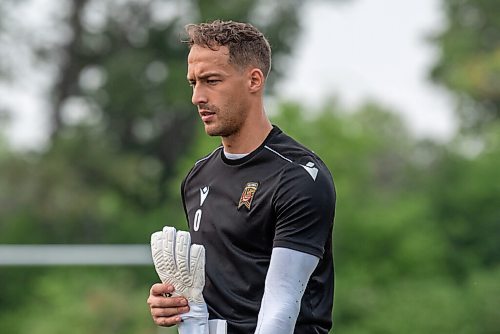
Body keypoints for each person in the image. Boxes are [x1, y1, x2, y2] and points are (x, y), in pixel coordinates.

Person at [147, 20, 336, 334]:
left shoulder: (298, 177)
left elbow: (281, 307)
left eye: (211, 80)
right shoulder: (197, 177)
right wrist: (175, 303)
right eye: (193, 83)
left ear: (254, 80)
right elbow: (210, 295)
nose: (197, 96)